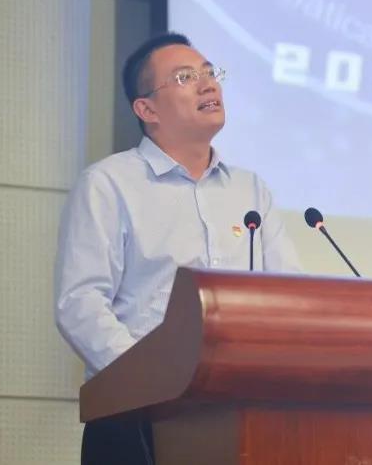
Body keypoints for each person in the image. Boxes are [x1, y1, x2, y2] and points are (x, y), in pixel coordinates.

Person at [54, 32, 301, 464]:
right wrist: (152, 380)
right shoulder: (109, 184)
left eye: (210, 72)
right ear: (146, 109)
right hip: (136, 419)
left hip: (236, 415)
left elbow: (287, 297)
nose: (208, 85)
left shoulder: (250, 190)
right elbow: (80, 302)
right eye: (186, 77)